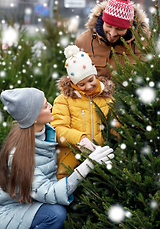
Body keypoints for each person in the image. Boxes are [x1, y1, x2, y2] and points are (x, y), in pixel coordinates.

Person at [0, 87, 114, 229]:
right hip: (13, 209)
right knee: (56, 214)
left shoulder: (45, 131)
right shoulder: (18, 155)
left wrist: (82, 142)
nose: (51, 106)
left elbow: (63, 132)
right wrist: (88, 165)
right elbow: (49, 193)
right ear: (34, 118)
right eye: (45, 106)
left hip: (33, 200)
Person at [51, 45, 115, 180]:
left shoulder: (107, 98)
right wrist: (80, 139)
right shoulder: (63, 101)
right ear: (72, 82)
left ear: (94, 74)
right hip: (71, 168)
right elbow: (57, 130)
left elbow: (116, 127)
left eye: (90, 80)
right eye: (81, 84)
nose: (88, 87)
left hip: (102, 167)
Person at [75, 0, 150, 79]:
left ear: (129, 27)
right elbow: (77, 79)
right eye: (108, 26)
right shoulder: (84, 41)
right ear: (103, 21)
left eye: (119, 29)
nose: (112, 33)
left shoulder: (144, 42)